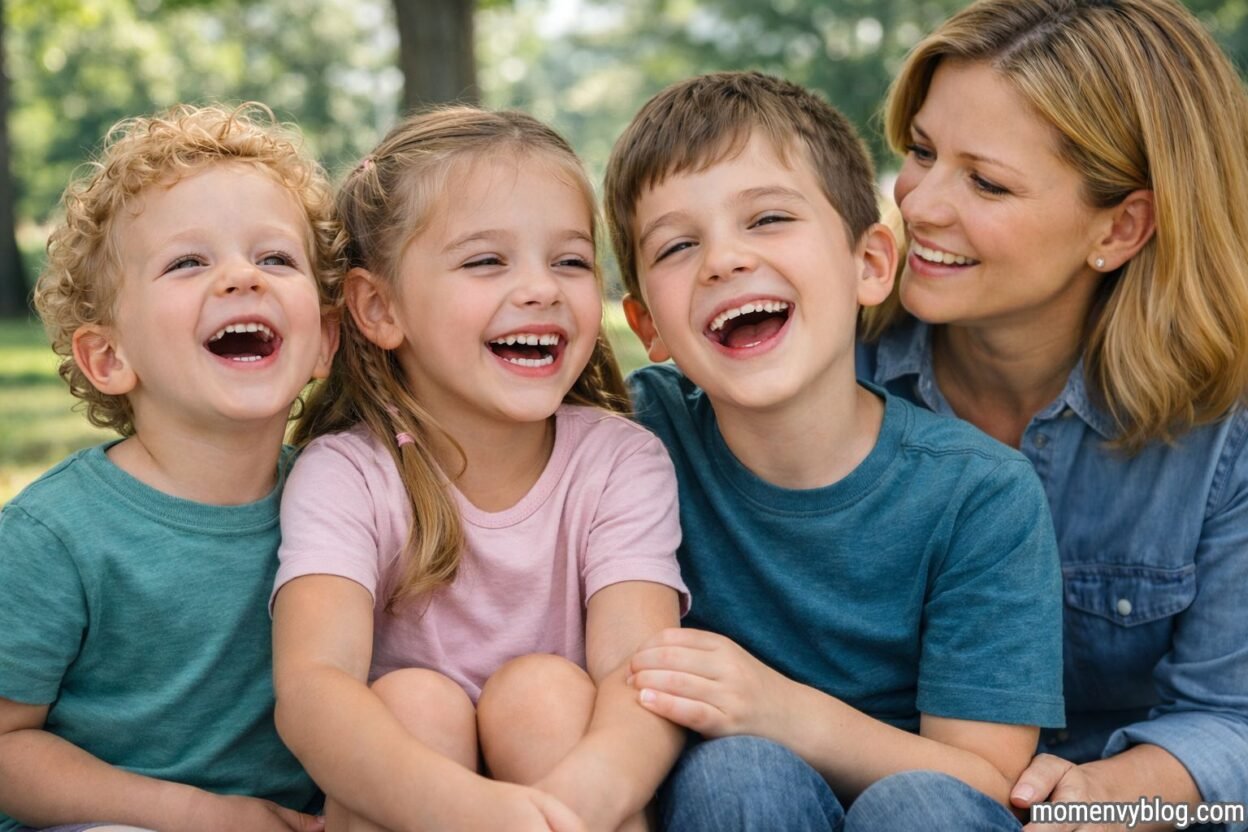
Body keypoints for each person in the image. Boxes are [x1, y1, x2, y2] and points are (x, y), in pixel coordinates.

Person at [603, 70, 1064, 831]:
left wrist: (777, 708)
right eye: (679, 245)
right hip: (738, 807)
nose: (722, 260)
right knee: (735, 770)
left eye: (769, 218)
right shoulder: (634, 439)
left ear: (871, 265)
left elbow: (987, 781)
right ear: (648, 324)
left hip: (923, 807)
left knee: (915, 806)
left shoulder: (981, 494)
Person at [856, 0, 1248, 829]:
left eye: (985, 181)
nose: (919, 203)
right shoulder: (834, 369)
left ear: (1122, 226)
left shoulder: (1226, 433)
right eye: (921, 152)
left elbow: (1235, 720)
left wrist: (1104, 798)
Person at [270, 106, 688, 832]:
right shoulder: (346, 474)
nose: (541, 289)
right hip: (421, 802)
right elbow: (313, 692)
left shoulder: (622, 461)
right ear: (378, 306)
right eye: (486, 260)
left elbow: (641, 680)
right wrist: (475, 815)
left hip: (574, 787)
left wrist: (556, 817)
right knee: (411, 704)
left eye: (570, 260)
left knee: (543, 694)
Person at [0, 104, 338, 832]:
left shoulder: (344, 503)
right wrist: (195, 815)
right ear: (109, 357)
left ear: (324, 341)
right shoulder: (55, 535)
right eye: (189, 262)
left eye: (276, 258)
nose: (243, 277)